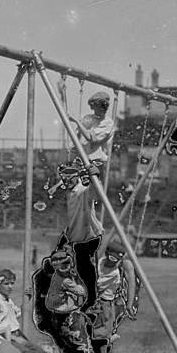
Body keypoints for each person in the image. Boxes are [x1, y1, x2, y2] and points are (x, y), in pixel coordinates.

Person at [64, 91, 114, 243]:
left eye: (102, 107)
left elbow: (92, 139)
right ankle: (91, 232)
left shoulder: (108, 123)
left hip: (96, 165)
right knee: (78, 197)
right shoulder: (88, 118)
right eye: (96, 107)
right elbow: (77, 139)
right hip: (82, 163)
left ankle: (97, 231)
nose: (100, 110)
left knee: (87, 198)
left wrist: (76, 121)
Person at [88, 240, 138, 353]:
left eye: (115, 260)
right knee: (100, 331)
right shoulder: (99, 262)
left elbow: (132, 283)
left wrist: (129, 304)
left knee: (107, 329)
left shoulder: (125, 264)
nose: (111, 262)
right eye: (110, 258)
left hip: (114, 301)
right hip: (99, 302)